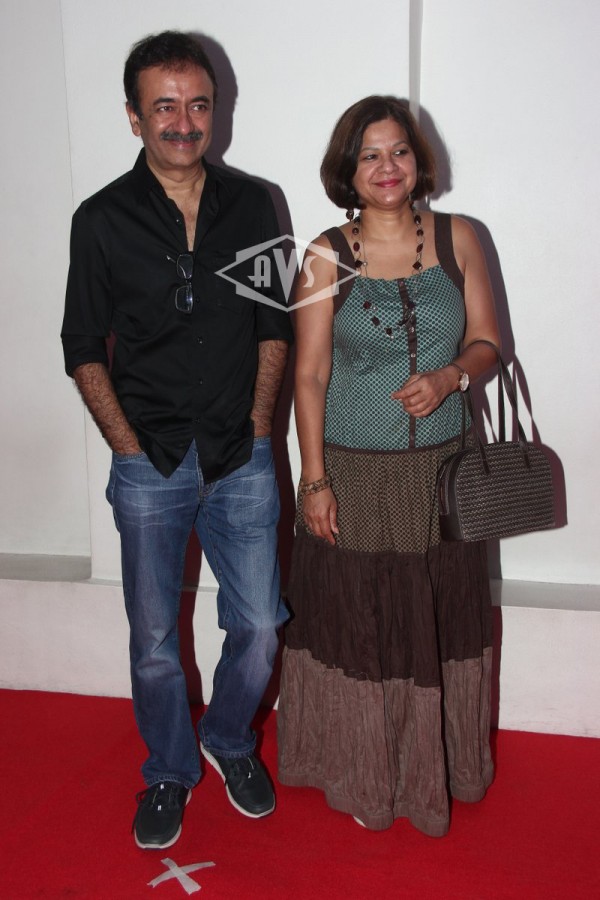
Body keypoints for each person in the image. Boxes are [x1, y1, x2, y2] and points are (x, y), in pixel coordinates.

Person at [61, 31, 293, 850]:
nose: (184, 122)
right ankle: (168, 769)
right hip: (148, 460)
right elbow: (82, 347)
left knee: (260, 625)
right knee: (156, 643)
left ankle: (228, 739)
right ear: (134, 117)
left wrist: (258, 430)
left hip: (242, 455)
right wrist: (126, 446)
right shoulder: (101, 219)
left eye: (197, 104)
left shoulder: (256, 205)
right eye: (164, 106)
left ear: (215, 109)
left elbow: (275, 328)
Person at [277, 96, 500, 836]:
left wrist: (451, 376)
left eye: (399, 150)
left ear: (418, 159)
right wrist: (313, 479)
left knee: (433, 619)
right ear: (348, 170)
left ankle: (436, 769)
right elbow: (308, 375)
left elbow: (488, 342)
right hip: (356, 474)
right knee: (363, 624)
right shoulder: (324, 255)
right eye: (369, 154)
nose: (386, 167)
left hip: (441, 475)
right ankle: (363, 771)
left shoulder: (460, 237)